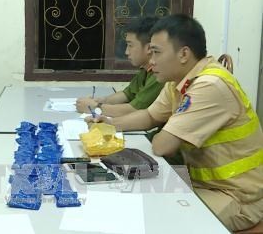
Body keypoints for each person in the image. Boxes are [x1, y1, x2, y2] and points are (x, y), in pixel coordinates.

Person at [87, 14, 263, 231]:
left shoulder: (210, 85)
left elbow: (163, 145)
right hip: (202, 185)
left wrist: (167, 128)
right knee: (131, 201)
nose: (151, 61)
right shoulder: (178, 81)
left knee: (160, 224)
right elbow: (149, 116)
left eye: (157, 53)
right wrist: (109, 124)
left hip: (237, 196)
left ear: (184, 54)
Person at [76, 16, 163, 117]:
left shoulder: (160, 75)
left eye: (130, 45)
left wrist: (95, 108)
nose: (126, 52)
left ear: (149, 48)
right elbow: (127, 94)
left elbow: (133, 109)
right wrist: (101, 101)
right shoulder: (145, 70)